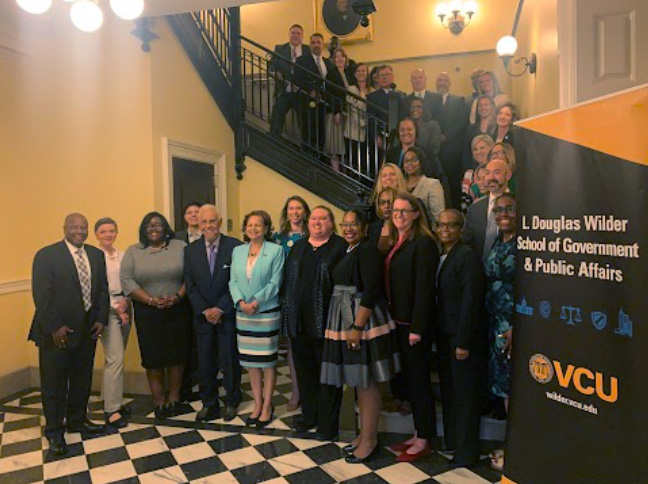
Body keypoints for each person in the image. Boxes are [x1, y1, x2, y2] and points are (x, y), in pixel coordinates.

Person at [321, 209, 400, 463]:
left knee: (366, 383)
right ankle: (363, 435)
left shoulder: (366, 250)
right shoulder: (348, 249)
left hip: (361, 320)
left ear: (366, 228)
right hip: (345, 316)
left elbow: (372, 288)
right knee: (357, 380)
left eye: (355, 224)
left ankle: (370, 440)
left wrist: (356, 326)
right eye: (345, 224)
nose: (349, 228)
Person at [30, 213, 109, 456]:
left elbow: (102, 289)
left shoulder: (96, 255)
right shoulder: (46, 255)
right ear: (64, 228)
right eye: (74, 227)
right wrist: (55, 326)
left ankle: (77, 420)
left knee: (81, 379)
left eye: (83, 227)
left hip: (87, 330)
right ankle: (54, 431)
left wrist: (100, 319)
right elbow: (42, 295)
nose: (79, 231)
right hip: (57, 333)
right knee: (54, 384)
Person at [281, 206, 347, 439]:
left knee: (327, 375)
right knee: (305, 372)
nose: (318, 222)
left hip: (326, 324)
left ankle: (327, 425)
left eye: (324, 218)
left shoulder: (339, 246)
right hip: (298, 323)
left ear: (331, 222)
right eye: (314, 219)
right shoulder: (299, 247)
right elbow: (288, 282)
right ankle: (309, 416)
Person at [386, 193, 439, 463]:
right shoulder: (400, 242)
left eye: (405, 211)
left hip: (414, 327)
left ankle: (424, 439)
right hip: (399, 323)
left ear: (417, 213)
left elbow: (424, 291)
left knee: (419, 384)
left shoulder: (424, 244)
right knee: (410, 381)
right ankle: (417, 433)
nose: (399, 215)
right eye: (395, 211)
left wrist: (417, 328)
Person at [121, 212, 189, 420]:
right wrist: (150, 300)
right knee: (153, 357)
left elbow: (192, 275)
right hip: (147, 311)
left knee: (177, 355)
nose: (154, 228)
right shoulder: (134, 251)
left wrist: (177, 297)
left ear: (165, 227)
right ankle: (159, 400)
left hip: (177, 309)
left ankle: (174, 397)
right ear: (143, 229)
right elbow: (127, 280)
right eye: (149, 225)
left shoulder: (180, 247)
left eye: (158, 224)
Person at [435, 209, 485, 467]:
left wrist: (463, 342)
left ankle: (467, 453)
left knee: (465, 397)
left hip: (461, 338)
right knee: (452, 393)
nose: (445, 230)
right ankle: (455, 444)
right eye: (441, 225)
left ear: (461, 228)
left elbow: (471, 301)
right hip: (446, 334)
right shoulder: (445, 255)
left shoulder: (467, 257)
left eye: (452, 225)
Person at [184, 204, 243, 422]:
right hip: (203, 317)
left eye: (212, 221)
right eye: (204, 222)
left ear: (219, 222)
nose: (208, 226)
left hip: (226, 314)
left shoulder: (235, 247)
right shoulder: (189, 251)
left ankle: (231, 400)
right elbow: (190, 285)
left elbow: (237, 281)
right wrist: (205, 310)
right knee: (205, 361)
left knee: (229, 360)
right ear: (198, 225)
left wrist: (220, 308)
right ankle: (209, 403)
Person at [230, 210, 285, 428]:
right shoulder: (237, 251)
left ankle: (268, 405)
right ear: (244, 229)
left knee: (267, 362)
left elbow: (275, 282)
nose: (253, 228)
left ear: (266, 228)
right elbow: (232, 281)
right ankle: (257, 403)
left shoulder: (276, 250)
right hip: (243, 314)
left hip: (266, 313)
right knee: (251, 363)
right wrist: (241, 303)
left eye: (258, 225)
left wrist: (256, 302)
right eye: (249, 225)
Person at [484, 194, 516, 472]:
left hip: (514, 327)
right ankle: (512, 444)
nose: (503, 214)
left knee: (514, 389)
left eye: (509, 209)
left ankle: (516, 449)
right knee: (505, 388)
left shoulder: (526, 243)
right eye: (498, 209)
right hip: (496, 323)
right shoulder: (498, 239)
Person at [272, 196, 310, 411]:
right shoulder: (277, 239)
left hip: (312, 299)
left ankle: (312, 390)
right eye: (291, 208)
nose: (295, 212)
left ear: (305, 212)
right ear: (286, 212)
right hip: (288, 299)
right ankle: (296, 390)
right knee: (293, 348)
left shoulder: (314, 234)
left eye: (299, 208)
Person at [94, 217, 131, 430]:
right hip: (105, 310)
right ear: (96, 234)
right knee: (115, 358)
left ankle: (109, 399)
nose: (108, 234)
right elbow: (95, 288)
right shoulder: (94, 257)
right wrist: (115, 307)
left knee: (115, 357)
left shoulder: (123, 256)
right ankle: (112, 410)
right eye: (103, 231)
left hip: (126, 305)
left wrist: (126, 302)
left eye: (112, 231)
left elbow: (127, 281)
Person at [463, 159, 512, 259]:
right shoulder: (475, 208)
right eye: (488, 173)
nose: (491, 177)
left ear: (508, 175)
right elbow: (467, 244)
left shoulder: (519, 206)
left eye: (497, 172)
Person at [295, 33, 334, 156]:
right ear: (309, 44)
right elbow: (297, 79)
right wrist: (310, 89)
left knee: (321, 133)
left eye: (318, 42)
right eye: (313, 42)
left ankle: (319, 158)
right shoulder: (301, 60)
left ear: (323, 45)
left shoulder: (328, 63)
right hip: (307, 102)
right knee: (308, 131)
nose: (316, 45)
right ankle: (308, 159)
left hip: (323, 103)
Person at [436, 72, 470, 209]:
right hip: (435, 154)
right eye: (440, 80)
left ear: (449, 84)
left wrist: (446, 136)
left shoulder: (459, 100)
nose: (442, 83)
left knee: (454, 186)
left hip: (453, 153)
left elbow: (462, 123)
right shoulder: (431, 101)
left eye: (445, 80)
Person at [270, 24, 311, 137]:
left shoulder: (308, 50)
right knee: (277, 116)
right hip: (284, 90)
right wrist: (275, 73)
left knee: (305, 122)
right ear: (289, 34)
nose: (295, 35)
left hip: (301, 92)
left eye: (298, 33)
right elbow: (271, 65)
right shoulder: (280, 49)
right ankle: (274, 139)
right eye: (293, 33)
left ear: (302, 36)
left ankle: (305, 147)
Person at [367, 65, 405, 158]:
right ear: (378, 79)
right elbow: (371, 118)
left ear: (392, 77)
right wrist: (376, 136)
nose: (384, 78)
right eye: (381, 75)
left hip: (399, 135)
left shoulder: (401, 95)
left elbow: (404, 116)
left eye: (387, 75)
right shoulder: (372, 97)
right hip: (381, 135)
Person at [325, 47, 352, 170]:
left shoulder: (348, 74)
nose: (339, 59)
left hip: (347, 113)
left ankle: (345, 173)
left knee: (344, 146)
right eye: (337, 57)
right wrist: (337, 111)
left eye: (342, 56)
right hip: (336, 113)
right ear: (333, 60)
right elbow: (331, 94)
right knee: (336, 146)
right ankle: (336, 174)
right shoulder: (331, 74)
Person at [403, 147, 445, 223]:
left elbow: (438, 217)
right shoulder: (400, 185)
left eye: (414, 160)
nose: (409, 163)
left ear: (421, 162)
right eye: (406, 161)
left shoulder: (432, 184)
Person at [344, 63, 373, 175]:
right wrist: (362, 122)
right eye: (359, 71)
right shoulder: (352, 89)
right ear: (355, 74)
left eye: (364, 71)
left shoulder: (371, 90)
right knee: (353, 159)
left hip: (367, 131)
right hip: (353, 128)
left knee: (365, 160)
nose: (361, 73)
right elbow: (353, 108)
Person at [461, 134, 495, 213]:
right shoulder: (469, 175)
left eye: (482, 148)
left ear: (491, 148)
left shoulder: (498, 171)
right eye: (475, 149)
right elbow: (464, 204)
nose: (479, 152)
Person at [408, 97, 443, 172]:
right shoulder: (405, 127)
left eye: (419, 107)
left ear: (424, 109)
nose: (415, 109)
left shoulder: (432, 125)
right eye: (412, 107)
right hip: (408, 166)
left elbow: (435, 150)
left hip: (429, 166)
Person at [463, 95, 496, 167]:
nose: (483, 108)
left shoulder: (497, 127)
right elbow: (466, 153)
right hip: (474, 168)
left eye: (486, 105)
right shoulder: (470, 129)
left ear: (492, 107)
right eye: (480, 105)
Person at [368, 186, 397, 255]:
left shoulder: (401, 227)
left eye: (390, 202)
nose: (386, 206)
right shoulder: (373, 228)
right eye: (382, 202)